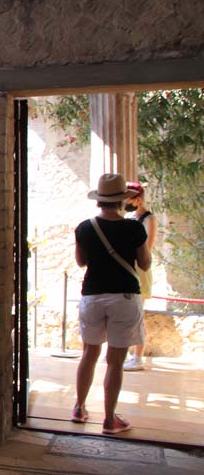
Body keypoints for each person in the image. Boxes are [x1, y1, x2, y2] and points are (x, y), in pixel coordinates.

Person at [71, 173, 151, 435]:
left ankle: (80, 407)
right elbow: (145, 264)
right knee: (115, 361)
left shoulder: (84, 228)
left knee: (89, 354)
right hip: (125, 296)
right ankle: (109, 419)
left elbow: (81, 262)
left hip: (92, 295)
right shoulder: (134, 228)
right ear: (121, 200)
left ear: (99, 200)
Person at [123, 181, 157, 371]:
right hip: (129, 268)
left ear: (137, 199)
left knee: (137, 314)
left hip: (141, 269)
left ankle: (138, 356)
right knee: (128, 313)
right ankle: (128, 352)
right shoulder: (129, 217)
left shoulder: (148, 219)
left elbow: (148, 248)